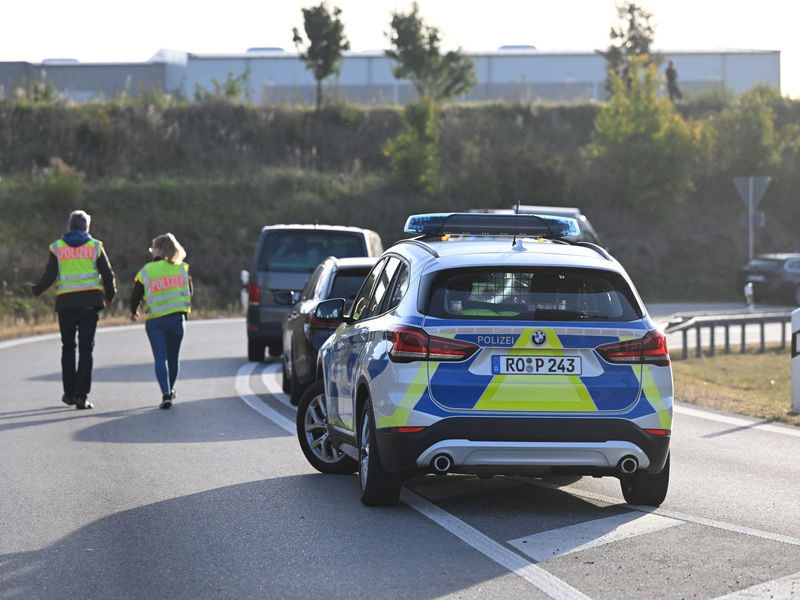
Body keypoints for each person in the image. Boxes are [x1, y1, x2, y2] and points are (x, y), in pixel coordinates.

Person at [31, 210, 116, 410]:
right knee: (86, 351)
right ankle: (81, 397)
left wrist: (36, 290)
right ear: (87, 227)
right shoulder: (95, 246)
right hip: (89, 306)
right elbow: (107, 274)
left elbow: (49, 275)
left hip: (66, 306)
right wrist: (109, 296)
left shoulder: (57, 248)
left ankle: (69, 394)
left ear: (69, 227)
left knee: (68, 349)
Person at [130, 233, 192, 409]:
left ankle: (165, 394)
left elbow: (136, 296)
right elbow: (190, 291)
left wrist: (133, 311)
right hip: (177, 320)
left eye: (153, 248)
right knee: (173, 358)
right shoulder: (182, 268)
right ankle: (171, 389)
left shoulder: (147, 271)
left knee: (160, 358)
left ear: (158, 249)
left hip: (155, 321)